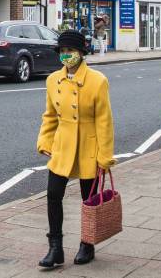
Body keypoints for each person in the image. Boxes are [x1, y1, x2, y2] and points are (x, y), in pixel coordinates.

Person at [36, 30, 115, 269]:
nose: (66, 56)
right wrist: (45, 141)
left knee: (87, 199)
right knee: (53, 196)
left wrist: (105, 156)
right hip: (63, 145)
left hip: (89, 146)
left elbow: (104, 120)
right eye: (62, 51)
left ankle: (87, 244)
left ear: (81, 53)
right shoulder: (52, 81)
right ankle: (55, 248)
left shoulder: (97, 80)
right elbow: (50, 115)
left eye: (70, 51)